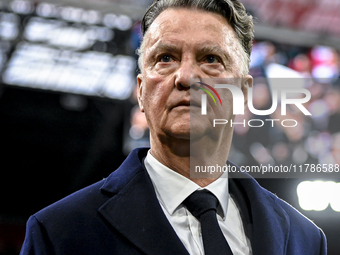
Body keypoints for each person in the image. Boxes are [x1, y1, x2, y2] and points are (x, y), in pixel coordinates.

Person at [20, 0, 327, 254]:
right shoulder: (59, 234)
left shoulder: (304, 240)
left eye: (211, 58)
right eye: (165, 58)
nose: (186, 77)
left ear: (243, 93)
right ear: (140, 91)